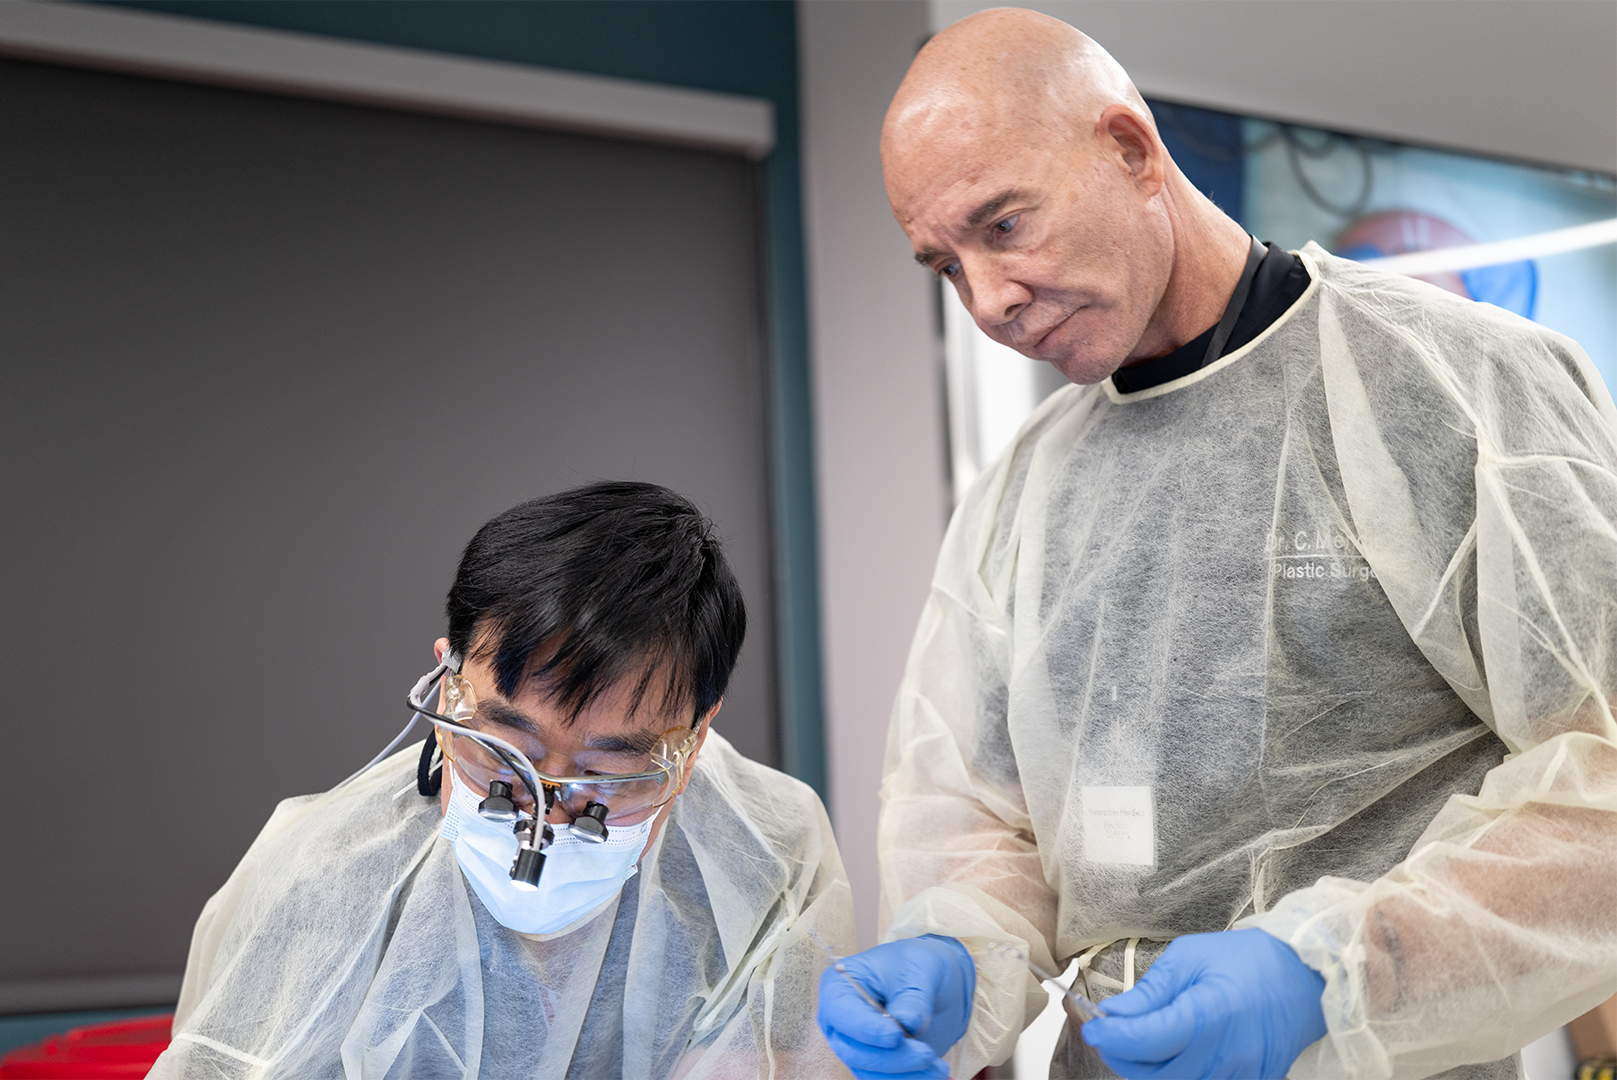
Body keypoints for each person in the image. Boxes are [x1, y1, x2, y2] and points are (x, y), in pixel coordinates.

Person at [816, 9, 1617, 1080]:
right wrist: (955, 946)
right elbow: (974, 809)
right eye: (944, 266)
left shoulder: (1452, 390)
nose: (989, 302)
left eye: (1002, 226)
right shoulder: (1025, 492)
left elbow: (1601, 776)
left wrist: (1329, 973)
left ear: (1131, 151)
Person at [152, 481, 855, 1079]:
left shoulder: (766, 852)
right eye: (503, 751)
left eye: (605, 772)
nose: (543, 815)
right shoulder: (328, 873)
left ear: (696, 734)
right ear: (448, 682)